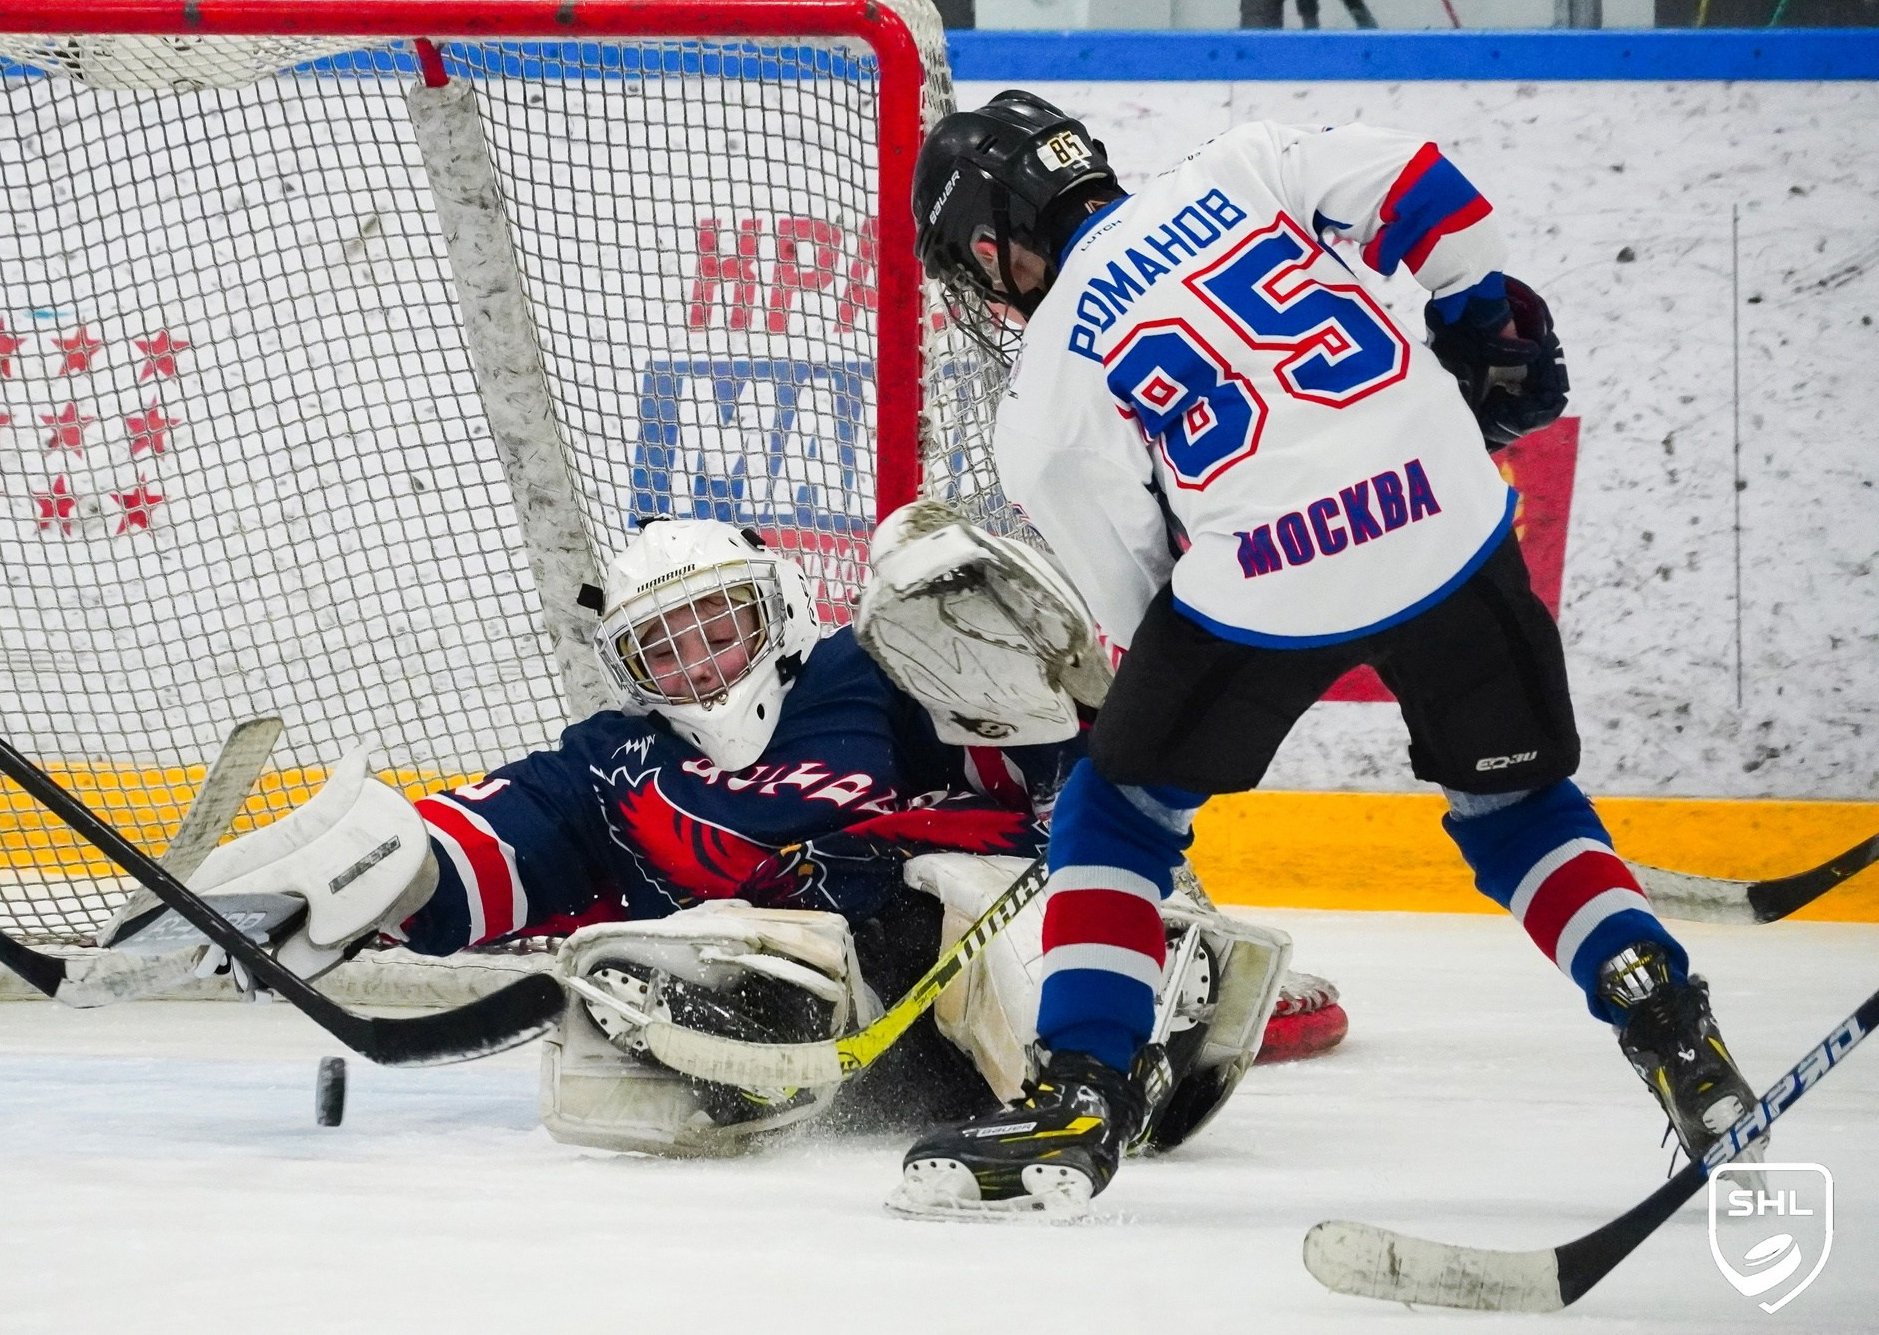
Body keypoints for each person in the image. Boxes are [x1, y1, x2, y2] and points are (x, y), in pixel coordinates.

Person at [890, 90, 1757, 1217]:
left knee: (1118, 810)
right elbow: (1435, 193)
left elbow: (1136, 602)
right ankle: (1670, 1025)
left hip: (1268, 575)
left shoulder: (1044, 388)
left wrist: (1184, 688)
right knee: (1519, 809)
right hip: (1452, 512)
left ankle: (1079, 1095)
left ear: (992, 243)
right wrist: (1476, 322)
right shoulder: (1242, 161)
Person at [104, 515, 1300, 1160]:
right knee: (706, 938)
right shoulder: (611, 764)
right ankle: (722, 1062)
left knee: (970, 889)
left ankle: (1129, 1036)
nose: (699, 667)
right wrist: (357, 887)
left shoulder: (881, 666)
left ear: (776, 611)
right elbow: (487, 846)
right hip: (819, 1033)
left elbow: (1056, 767)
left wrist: (1051, 700)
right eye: (661, 651)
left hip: (964, 959)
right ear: (630, 672)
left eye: (717, 628)